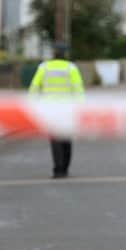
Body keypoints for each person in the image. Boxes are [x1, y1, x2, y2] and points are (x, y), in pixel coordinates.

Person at [29, 42, 84, 178]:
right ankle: (64, 167)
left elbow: (35, 87)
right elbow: (78, 89)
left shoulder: (44, 67)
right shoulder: (71, 68)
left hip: (50, 108)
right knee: (66, 138)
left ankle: (58, 169)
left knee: (55, 140)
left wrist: (32, 105)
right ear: (64, 54)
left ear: (53, 54)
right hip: (67, 108)